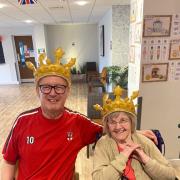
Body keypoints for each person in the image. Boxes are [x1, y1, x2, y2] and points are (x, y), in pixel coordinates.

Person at [1, 48, 157, 179]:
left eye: (59, 87)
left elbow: (109, 130)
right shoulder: (22, 121)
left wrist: (136, 133)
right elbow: (9, 161)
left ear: (68, 91)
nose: (53, 93)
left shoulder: (77, 122)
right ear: (37, 90)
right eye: (46, 87)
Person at [92, 85, 177, 180]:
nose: (118, 127)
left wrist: (146, 160)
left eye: (123, 120)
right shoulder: (103, 144)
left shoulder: (144, 141)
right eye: (112, 122)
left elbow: (170, 175)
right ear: (107, 125)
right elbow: (98, 178)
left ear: (131, 122)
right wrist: (123, 156)